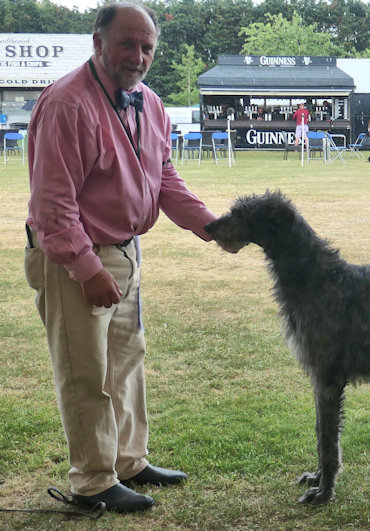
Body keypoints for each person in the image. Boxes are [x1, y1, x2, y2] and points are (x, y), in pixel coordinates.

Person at [24, 2, 217, 514]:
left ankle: (129, 461)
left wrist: (210, 225)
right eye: (127, 44)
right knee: (85, 372)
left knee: (126, 366)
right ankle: (92, 482)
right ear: (98, 42)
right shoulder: (67, 104)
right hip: (75, 259)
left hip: (127, 252)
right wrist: (87, 269)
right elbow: (53, 207)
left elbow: (164, 177)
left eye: (147, 46)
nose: (138, 55)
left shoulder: (150, 103)